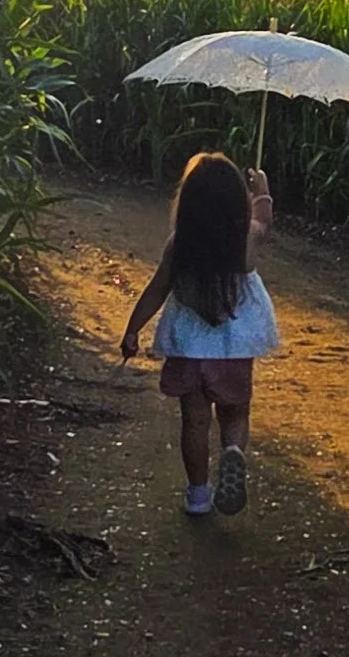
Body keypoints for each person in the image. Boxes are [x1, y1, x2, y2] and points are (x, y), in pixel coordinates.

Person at [119, 151, 279, 516]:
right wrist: (263, 190)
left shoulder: (180, 245)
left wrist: (132, 330)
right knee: (235, 413)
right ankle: (233, 451)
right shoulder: (244, 240)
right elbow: (264, 221)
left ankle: (198, 495)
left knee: (194, 420)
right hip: (234, 348)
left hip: (189, 347)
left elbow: (157, 289)